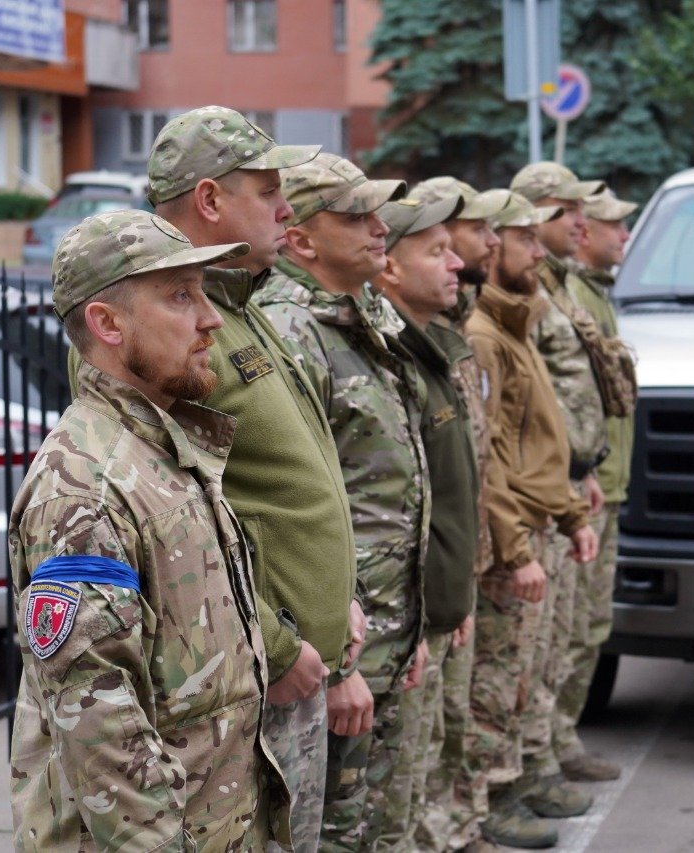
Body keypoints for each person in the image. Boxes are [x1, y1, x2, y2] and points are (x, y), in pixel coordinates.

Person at [99, 106, 367, 851]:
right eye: (267, 189)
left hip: (295, 666)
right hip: (252, 681)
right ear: (212, 201)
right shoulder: (165, 319)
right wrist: (279, 646)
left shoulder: (236, 306)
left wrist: (336, 601)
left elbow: (280, 485)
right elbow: (181, 516)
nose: (287, 207)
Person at [10, 209, 290, 849]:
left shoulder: (159, 448)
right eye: (180, 296)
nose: (211, 318)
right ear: (108, 324)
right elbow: (99, 723)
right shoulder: (86, 486)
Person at [252, 153, 430, 852]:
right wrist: (340, 662)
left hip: (387, 622)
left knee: (377, 819)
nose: (379, 228)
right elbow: (292, 509)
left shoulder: (361, 313)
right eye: (355, 216)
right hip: (336, 644)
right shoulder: (292, 331)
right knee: (330, 829)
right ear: (301, 239)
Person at [466, 192, 599, 850]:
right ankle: (494, 792)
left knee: (531, 668)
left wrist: (572, 508)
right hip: (514, 530)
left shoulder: (517, 325)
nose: (535, 252)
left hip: (541, 519)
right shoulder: (485, 337)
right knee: (499, 676)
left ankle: (521, 776)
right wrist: (515, 547)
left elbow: (544, 441)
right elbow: (488, 456)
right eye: (523, 240)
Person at [402, 178, 511, 853]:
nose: (484, 245)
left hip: (452, 572)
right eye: (443, 241)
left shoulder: (447, 333)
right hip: (405, 598)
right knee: (416, 745)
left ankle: (455, 829)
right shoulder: (407, 344)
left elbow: (481, 452)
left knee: (445, 727)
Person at [509, 162, 617, 805]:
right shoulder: (520, 289)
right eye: (562, 210)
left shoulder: (561, 285)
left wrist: (588, 470)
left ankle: (551, 748)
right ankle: (529, 768)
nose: (581, 222)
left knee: (568, 634)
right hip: (538, 492)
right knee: (529, 647)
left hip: (572, 480)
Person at [556, 187, 641, 779]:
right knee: (571, 628)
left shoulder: (590, 294)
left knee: (589, 626)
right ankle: (553, 745)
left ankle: (560, 741)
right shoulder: (568, 294)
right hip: (585, 485)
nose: (621, 236)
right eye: (616, 226)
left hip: (603, 482)